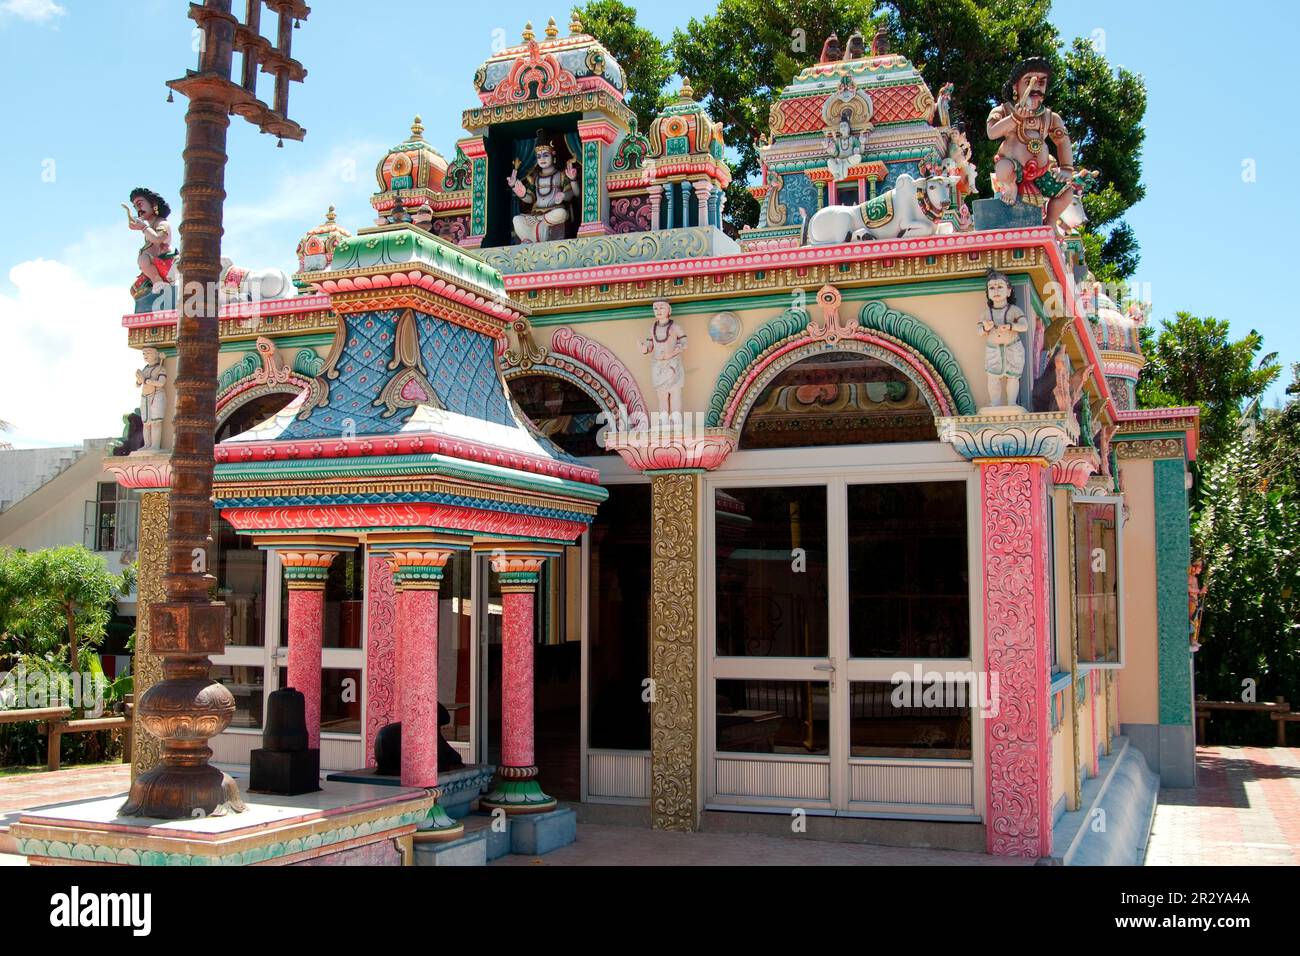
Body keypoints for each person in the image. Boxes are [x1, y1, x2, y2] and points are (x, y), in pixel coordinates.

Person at [507, 133, 579, 244]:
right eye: (539, 156)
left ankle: (532, 237)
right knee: (517, 219)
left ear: (553, 156)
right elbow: (530, 199)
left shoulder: (560, 175)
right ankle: (529, 240)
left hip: (552, 214)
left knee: (562, 213)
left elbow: (573, 194)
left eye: (546, 155)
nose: (542, 159)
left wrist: (566, 192)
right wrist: (522, 194)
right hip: (535, 215)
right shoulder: (535, 177)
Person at [977, 270, 1029, 408]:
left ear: (1009, 291)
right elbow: (979, 331)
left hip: (1012, 347)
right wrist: (986, 327)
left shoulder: (1014, 310)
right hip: (993, 350)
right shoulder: (986, 313)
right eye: (992, 288)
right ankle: (995, 404)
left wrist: (1011, 326)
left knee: (1013, 377)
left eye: (1000, 286)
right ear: (988, 293)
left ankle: (1012, 403)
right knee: (993, 377)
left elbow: (1024, 326)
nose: (996, 291)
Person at [125, 187, 175, 295]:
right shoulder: (150, 226)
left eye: (140, 204)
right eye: (135, 207)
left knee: (143, 259)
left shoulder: (162, 224)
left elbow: (158, 238)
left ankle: (158, 283)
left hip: (165, 265)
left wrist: (143, 228)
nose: (138, 210)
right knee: (134, 290)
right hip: (152, 267)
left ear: (154, 204)